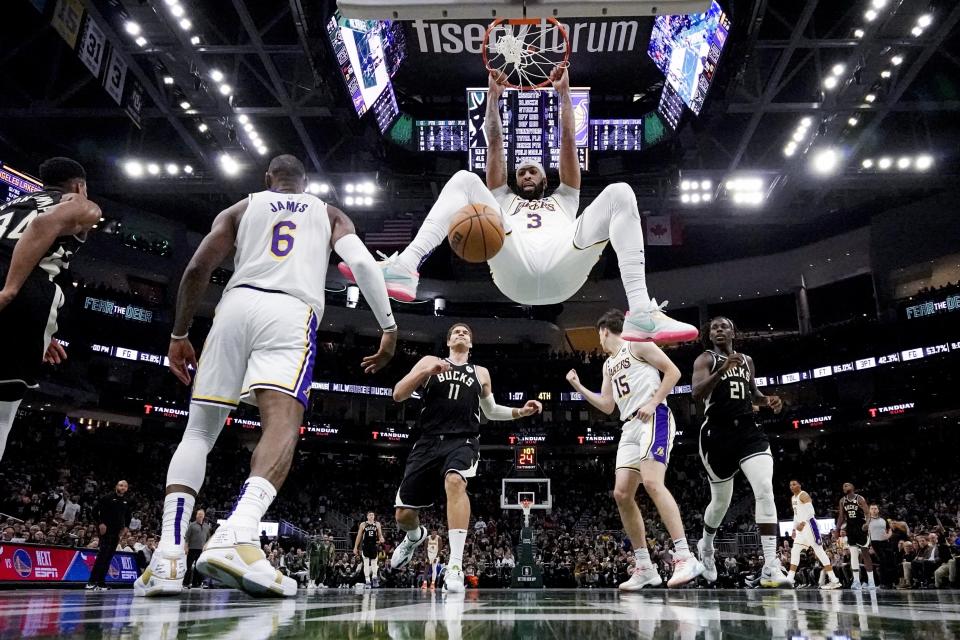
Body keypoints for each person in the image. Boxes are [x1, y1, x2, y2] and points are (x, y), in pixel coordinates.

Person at [134, 155, 397, 597]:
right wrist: (388, 327)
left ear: (267, 180)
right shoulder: (328, 213)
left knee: (198, 433)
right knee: (282, 425)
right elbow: (364, 266)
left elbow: (198, 269)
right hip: (289, 312)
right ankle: (239, 532)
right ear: (306, 183)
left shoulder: (241, 208)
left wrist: (179, 333)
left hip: (235, 307)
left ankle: (168, 556)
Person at [339, 68, 696, 345]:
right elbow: (494, 142)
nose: (525, 174)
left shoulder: (566, 197)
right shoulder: (501, 200)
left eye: (533, 171)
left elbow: (568, 139)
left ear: (545, 177)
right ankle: (406, 266)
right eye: (521, 170)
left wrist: (564, 94)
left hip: (564, 264)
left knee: (620, 192)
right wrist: (493, 98)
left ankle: (642, 311)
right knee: (465, 179)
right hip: (514, 265)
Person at [389, 322, 542, 593]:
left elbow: (491, 411)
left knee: (455, 481)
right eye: (456, 332)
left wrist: (521, 412)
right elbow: (398, 393)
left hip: (464, 440)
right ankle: (414, 537)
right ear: (448, 342)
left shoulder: (480, 372)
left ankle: (455, 566)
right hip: (427, 441)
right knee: (403, 515)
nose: (461, 333)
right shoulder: (430, 361)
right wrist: (427, 370)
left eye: (466, 333)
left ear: (470, 345)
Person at [565, 309, 702, 590]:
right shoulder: (607, 365)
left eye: (598, 335)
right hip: (629, 426)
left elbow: (673, 372)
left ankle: (686, 556)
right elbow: (607, 406)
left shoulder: (636, 343)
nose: (598, 341)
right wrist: (578, 386)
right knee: (622, 493)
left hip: (655, 416)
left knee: (652, 482)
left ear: (604, 330)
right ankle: (644, 567)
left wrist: (652, 403)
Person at [0, 157, 101, 462]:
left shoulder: (16, 202)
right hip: (25, 287)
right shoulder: (80, 202)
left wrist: (43, 335)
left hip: (19, 296)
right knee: (3, 411)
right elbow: (45, 224)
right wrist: (10, 290)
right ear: (79, 185)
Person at [691, 317, 790, 588]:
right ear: (710, 336)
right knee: (721, 502)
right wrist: (721, 370)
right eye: (714, 328)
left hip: (748, 431)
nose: (720, 330)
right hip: (717, 435)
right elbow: (696, 393)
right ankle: (707, 547)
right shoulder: (705, 359)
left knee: (764, 489)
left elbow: (752, 393)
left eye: (724, 327)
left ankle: (771, 564)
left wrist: (768, 400)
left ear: (733, 332)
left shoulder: (747, 360)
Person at [786, 480, 841, 589]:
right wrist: (793, 529)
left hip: (810, 526)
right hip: (801, 529)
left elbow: (811, 512)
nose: (792, 486)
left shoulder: (803, 494)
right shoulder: (793, 498)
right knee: (795, 550)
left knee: (819, 551)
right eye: (790, 485)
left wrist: (802, 523)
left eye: (794, 484)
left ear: (799, 485)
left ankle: (834, 580)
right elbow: (796, 515)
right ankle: (790, 579)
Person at [86, 480, 132, 591]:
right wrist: (100, 523)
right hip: (106, 531)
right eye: (121, 485)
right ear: (116, 486)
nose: (122, 487)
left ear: (127, 489)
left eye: (125, 486)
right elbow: (94, 511)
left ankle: (101, 582)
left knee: (109, 557)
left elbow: (128, 515)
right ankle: (91, 582)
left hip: (117, 532)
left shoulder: (126, 501)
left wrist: (126, 527)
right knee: (102, 556)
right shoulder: (107, 498)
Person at [836, 482, 877, 590]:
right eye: (843, 486)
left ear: (853, 487)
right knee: (853, 555)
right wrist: (837, 529)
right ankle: (856, 581)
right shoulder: (842, 501)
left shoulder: (859, 499)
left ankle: (871, 582)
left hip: (861, 528)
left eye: (846, 485)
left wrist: (867, 524)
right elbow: (841, 517)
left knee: (865, 554)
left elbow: (868, 513)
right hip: (850, 529)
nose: (844, 487)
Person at [353, 511, 385, 588]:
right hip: (366, 546)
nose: (371, 516)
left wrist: (381, 538)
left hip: (374, 545)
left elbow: (380, 535)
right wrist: (355, 547)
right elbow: (359, 536)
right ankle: (367, 580)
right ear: (367, 516)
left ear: (374, 517)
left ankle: (374, 577)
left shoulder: (377, 524)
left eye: (372, 515)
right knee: (366, 563)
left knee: (374, 562)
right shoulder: (363, 524)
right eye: (370, 515)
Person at [183, 509, 211, 589]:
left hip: (201, 550)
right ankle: (185, 583)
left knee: (198, 567)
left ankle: (196, 583)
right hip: (191, 549)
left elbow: (208, 539)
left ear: (204, 516)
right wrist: (186, 547)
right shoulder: (192, 525)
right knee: (188, 567)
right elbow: (187, 538)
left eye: (202, 514)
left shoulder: (206, 526)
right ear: (196, 515)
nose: (200, 516)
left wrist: (206, 548)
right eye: (199, 514)